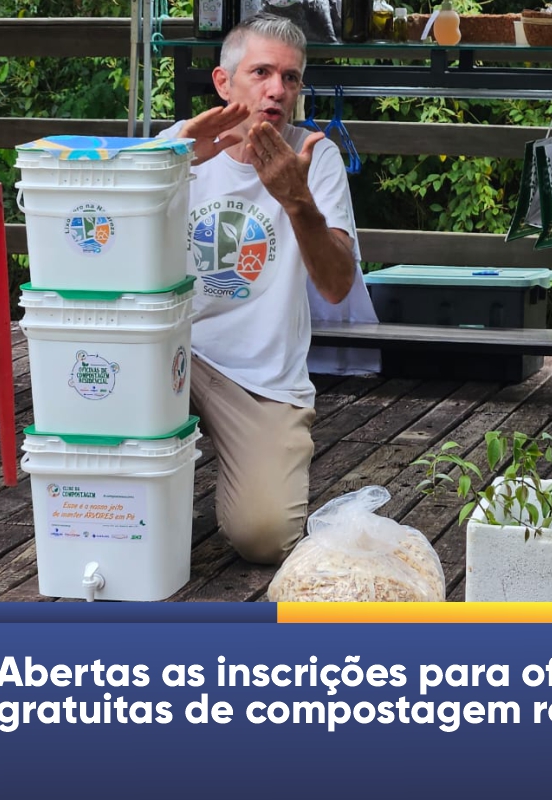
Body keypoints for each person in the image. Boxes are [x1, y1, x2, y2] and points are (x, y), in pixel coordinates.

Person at [160, 13, 359, 565]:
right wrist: (172, 161)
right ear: (223, 83)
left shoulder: (314, 156)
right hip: (169, 349)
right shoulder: (177, 144)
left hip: (258, 376)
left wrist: (298, 202)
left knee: (265, 537)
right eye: (262, 72)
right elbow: (106, 238)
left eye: (291, 78)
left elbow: (337, 286)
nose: (277, 90)